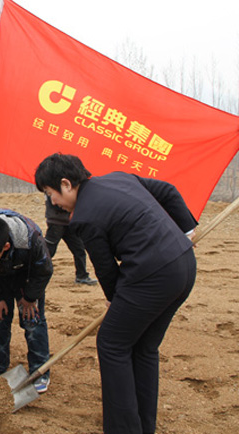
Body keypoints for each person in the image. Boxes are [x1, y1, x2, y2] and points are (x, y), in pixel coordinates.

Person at [35, 153, 197, 434]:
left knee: (112, 344)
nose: (53, 202)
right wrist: (187, 231)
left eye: (51, 194)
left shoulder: (84, 217)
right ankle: (143, 427)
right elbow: (168, 191)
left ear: (66, 184)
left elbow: (106, 268)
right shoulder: (120, 178)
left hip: (152, 277)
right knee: (143, 348)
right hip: (183, 266)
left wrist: (114, 299)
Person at [0, 208, 53, 393]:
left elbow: (44, 271)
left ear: (5, 247)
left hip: (27, 277)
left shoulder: (32, 240)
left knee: (32, 321)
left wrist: (29, 297)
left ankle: (39, 372)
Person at [44, 194, 97, 285]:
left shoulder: (66, 189)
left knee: (79, 249)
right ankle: (33, 273)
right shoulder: (52, 189)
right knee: (48, 251)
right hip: (56, 223)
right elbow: (55, 204)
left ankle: (82, 276)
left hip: (68, 223)